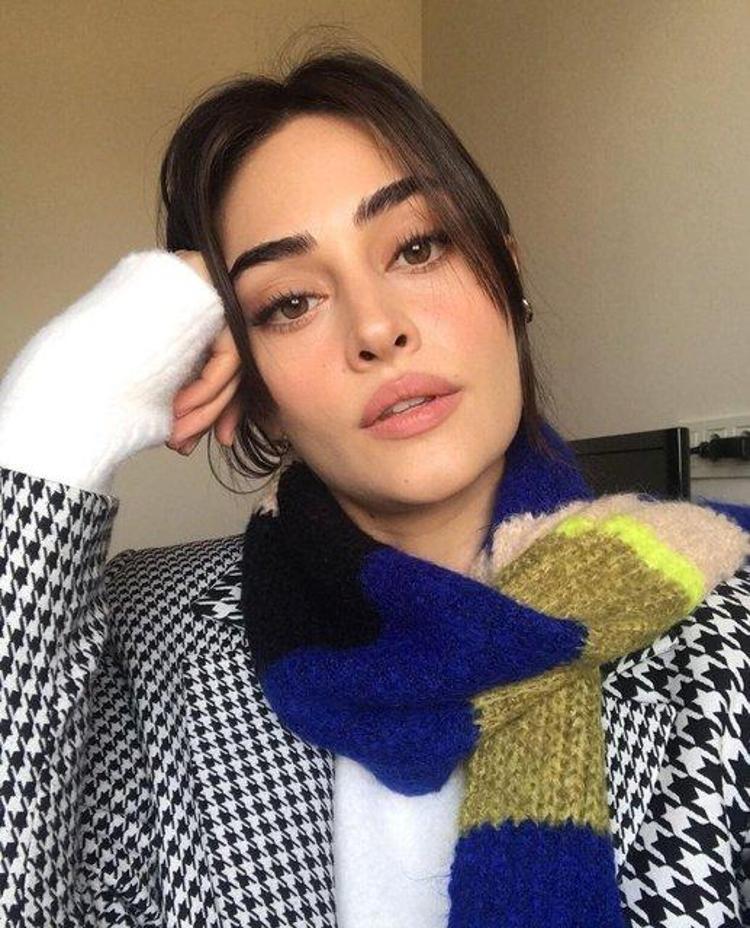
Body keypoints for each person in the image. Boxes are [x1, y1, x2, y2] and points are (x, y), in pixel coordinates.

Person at [1, 45, 749, 928]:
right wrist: (54, 413)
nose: (377, 328)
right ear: (256, 391)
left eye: (418, 247)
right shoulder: (142, 636)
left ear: (508, 277)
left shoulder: (728, 634)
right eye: (290, 303)